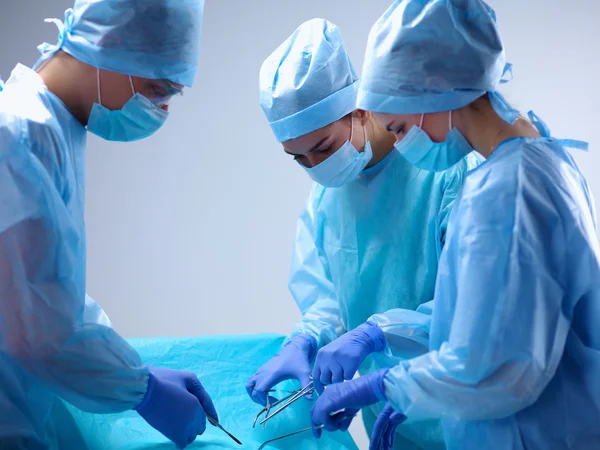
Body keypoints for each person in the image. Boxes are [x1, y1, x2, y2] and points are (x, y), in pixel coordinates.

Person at [309, 1, 600, 449]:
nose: (402, 144)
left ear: (437, 89)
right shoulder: (537, 160)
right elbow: (482, 321)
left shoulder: (509, 192)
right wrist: (390, 354)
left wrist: (386, 385)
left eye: (401, 128)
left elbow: (496, 368)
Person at [245, 18, 481, 450]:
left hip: (467, 414)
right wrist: (308, 337)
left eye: (324, 147)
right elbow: (327, 295)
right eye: (298, 158)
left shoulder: (444, 170)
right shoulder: (324, 200)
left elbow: (471, 309)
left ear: (359, 110)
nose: (316, 167)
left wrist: (376, 332)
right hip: (387, 415)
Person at [0, 1, 217, 449]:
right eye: (158, 89)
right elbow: (39, 335)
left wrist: (133, 369)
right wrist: (143, 391)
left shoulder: (54, 129)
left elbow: (46, 289)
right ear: (108, 45)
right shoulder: (18, 134)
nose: (160, 109)